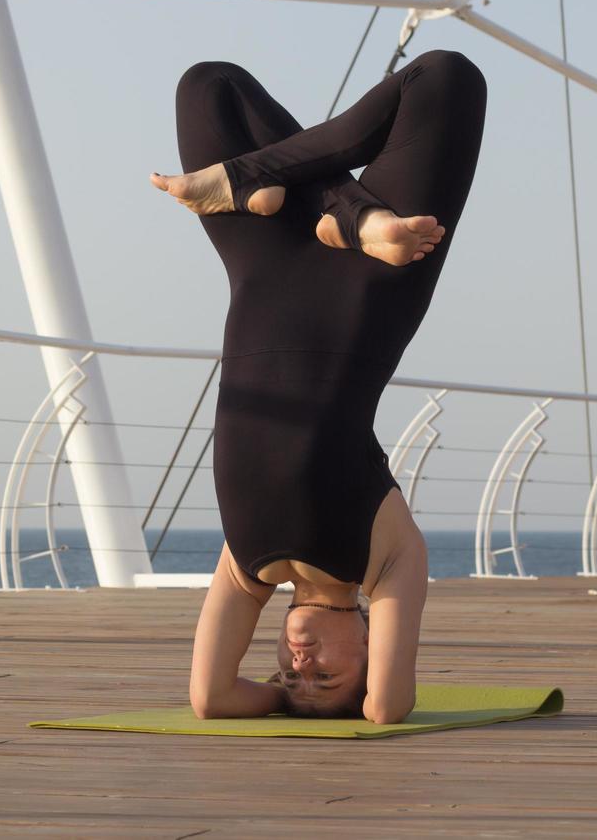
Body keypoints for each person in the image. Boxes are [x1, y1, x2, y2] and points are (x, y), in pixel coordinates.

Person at [148, 49, 487, 722]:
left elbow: (210, 699)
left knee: (208, 85)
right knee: (446, 77)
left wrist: (280, 700)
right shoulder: (386, 557)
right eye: (326, 679)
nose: (301, 667)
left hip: (266, 262)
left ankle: (311, 199)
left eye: (287, 675)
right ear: (367, 640)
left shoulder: (248, 571)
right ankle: (345, 213)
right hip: (376, 280)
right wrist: (353, 702)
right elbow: (388, 709)